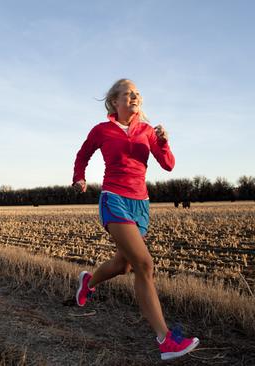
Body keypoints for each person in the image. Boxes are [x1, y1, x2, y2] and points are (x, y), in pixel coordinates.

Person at [72, 79, 199, 360]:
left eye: (138, 94)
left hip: (140, 203)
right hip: (113, 198)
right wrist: (79, 177)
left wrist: (164, 143)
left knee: (124, 264)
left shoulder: (147, 131)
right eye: (128, 93)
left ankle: (88, 283)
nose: (135, 97)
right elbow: (83, 154)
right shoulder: (102, 130)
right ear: (114, 102)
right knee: (144, 264)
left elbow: (167, 165)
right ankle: (166, 340)